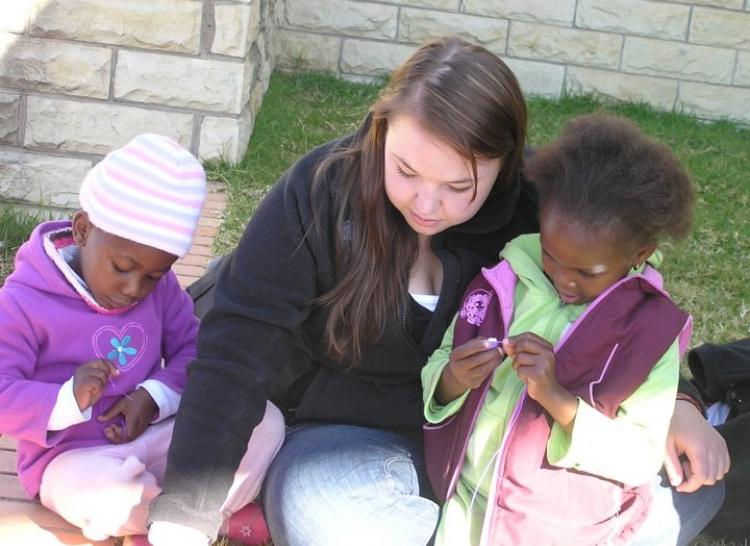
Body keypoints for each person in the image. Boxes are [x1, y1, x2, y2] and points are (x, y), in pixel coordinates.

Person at [148, 38, 727, 545]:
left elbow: (629, 302)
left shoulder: (539, 212)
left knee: (689, 495)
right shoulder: (319, 193)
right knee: (322, 511)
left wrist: (682, 404)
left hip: (498, 444)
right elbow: (236, 350)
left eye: (458, 187)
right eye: (405, 172)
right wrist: (181, 515)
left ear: (506, 164)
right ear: (381, 130)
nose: (427, 206)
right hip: (349, 436)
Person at [422, 113, 716, 545]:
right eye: (550, 255)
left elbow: (639, 457)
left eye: (586, 271)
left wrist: (558, 399)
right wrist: (450, 379)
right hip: (466, 513)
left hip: (564, 530)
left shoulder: (650, 331)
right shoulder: (504, 280)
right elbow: (440, 362)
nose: (563, 279)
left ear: (640, 253)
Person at [0, 134, 283, 546]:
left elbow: (198, 353)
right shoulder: (22, 302)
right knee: (100, 495)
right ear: (82, 230)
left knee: (264, 418)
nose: (135, 289)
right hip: (70, 462)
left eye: (153, 275)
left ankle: (161, 517)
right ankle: (201, 519)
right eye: (123, 267)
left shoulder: (162, 289)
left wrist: (153, 396)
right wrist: (67, 399)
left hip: (157, 437)